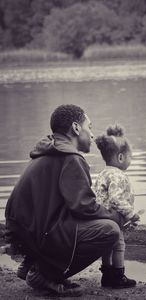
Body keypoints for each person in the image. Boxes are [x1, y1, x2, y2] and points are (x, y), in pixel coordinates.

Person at [5, 104, 127, 297]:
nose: (93, 135)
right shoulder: (71, 157)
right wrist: (117, 217)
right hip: (36, 233)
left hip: (24, 230)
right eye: (90, 127)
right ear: (76, 128)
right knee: (109, 229)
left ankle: (35, 263)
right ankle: (46, 275)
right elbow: (84, 207)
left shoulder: (50, 150)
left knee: (97, 221)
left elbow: (73, 205)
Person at [94, 125, 143, 288]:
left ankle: (106, 276)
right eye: (131, 157)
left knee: (107, 246)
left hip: (101, 218)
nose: (131, 160)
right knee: (119, 245)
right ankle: (118, 277)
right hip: (112, 218)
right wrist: (130, 214)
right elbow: (115, 199)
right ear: (121, 157)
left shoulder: (103, 173)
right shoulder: (118, 175)